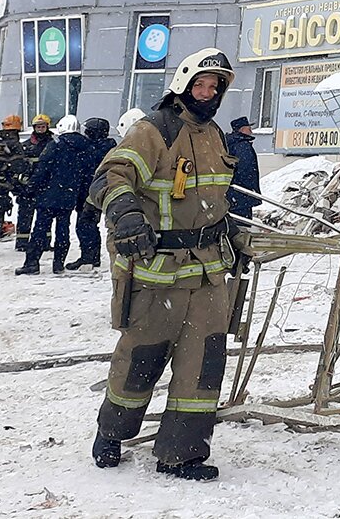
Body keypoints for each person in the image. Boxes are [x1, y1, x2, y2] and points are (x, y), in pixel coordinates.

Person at [89, 48, 246, 481]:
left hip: (209, 273)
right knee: (141, 359)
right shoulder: (153, 130)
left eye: (216, 87)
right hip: (157, 274)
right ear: (183, 84)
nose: (208, 93)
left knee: (204, 363)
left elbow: (212, 199)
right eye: (201, 84)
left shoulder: (215, 134)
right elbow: (109, 177)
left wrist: (231, 233)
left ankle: (182, 453)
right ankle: (112, 433)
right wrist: (126, 215)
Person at [15, 116, 90, 274]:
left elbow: (42, 170)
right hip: (69, 196)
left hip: (48, 196)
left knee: (40, 230)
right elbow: (86, 173)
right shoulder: (85, 147)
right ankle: (58, 263)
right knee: (63, 230)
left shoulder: (55, 145)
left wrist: (30, 188)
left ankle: (32, 263)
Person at [68, 118, 117, 270]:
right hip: (98, 191)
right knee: (89, 224)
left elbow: (88, 171)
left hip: (92, 193)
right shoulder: (109, 147)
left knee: (85, 224)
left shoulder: (94, 149)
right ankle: (92, 257)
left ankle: (89, 257)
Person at [14, 113, 53, 251]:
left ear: (47, 127)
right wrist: (22, 183)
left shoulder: (53, 144)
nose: (40, 129)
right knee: (25, 215)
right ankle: (22, 243)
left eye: (43, 126)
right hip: (27, 186)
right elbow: (18, 166)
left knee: (45, 217)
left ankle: (45, 242)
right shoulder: (26, 146)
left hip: (46, 186)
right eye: (38, 126)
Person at [224, 117, 262, 220]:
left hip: (232, 194)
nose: (251, 131)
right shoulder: (242, 146)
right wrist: (250, 190)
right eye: (249, 128)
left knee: (233, 221)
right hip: (241, 195)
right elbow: (246, 169)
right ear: (242, 130)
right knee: (242, 224)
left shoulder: (230, 143)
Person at [0, 115, 23, 238]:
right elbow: (18, 165)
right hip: (3, 184)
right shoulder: (14, 144)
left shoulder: (0, 141)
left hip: (2, 181)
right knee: (0, 209)